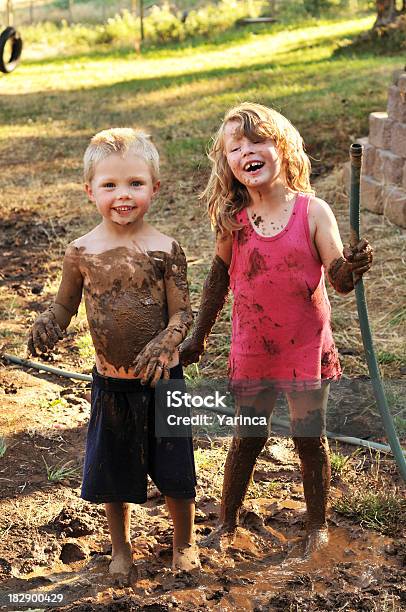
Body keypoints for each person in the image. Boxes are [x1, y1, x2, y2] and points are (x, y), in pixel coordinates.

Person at [180, 102, 373, 556]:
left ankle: (317, 527)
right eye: (236, 147)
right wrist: (198, 336)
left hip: (304, 347)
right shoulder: (234, 219)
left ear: (282, 148)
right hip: (253, 349)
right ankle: (226, 523)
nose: (248, 150)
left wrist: (354, 266)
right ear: (227, 163)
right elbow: (217, 278)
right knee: (248, 435)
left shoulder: (312, 211)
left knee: (310, 438)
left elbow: (338, 280)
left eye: (258, 140)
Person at [27, 128, 200, 577]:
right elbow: (65, 305)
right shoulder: (81, 252)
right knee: (114, 473)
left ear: (154, 188)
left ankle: (184, 543)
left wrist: (167, 341)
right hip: (111, 382)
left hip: (165, 381)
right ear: (90, 191)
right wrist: (50, 322)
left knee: (177, 471)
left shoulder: (167, 250)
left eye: (135, 184)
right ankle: (121, 548)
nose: (123, 195)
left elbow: (183, 315)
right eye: (110, 185)